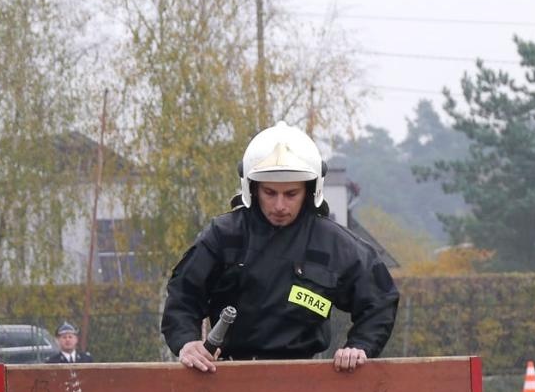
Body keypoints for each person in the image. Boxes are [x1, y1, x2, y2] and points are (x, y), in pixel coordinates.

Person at [162, 122, 399, 373]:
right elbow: (183, 296)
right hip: (227, 376)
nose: (279, 206)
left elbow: (381, 298)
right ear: (252, 188)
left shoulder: (334, 244)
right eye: (270, 192)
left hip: (305, 379)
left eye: (291, 194)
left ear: (310, 189)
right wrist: (187, 342)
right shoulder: (223, 236)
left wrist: (360, 346)